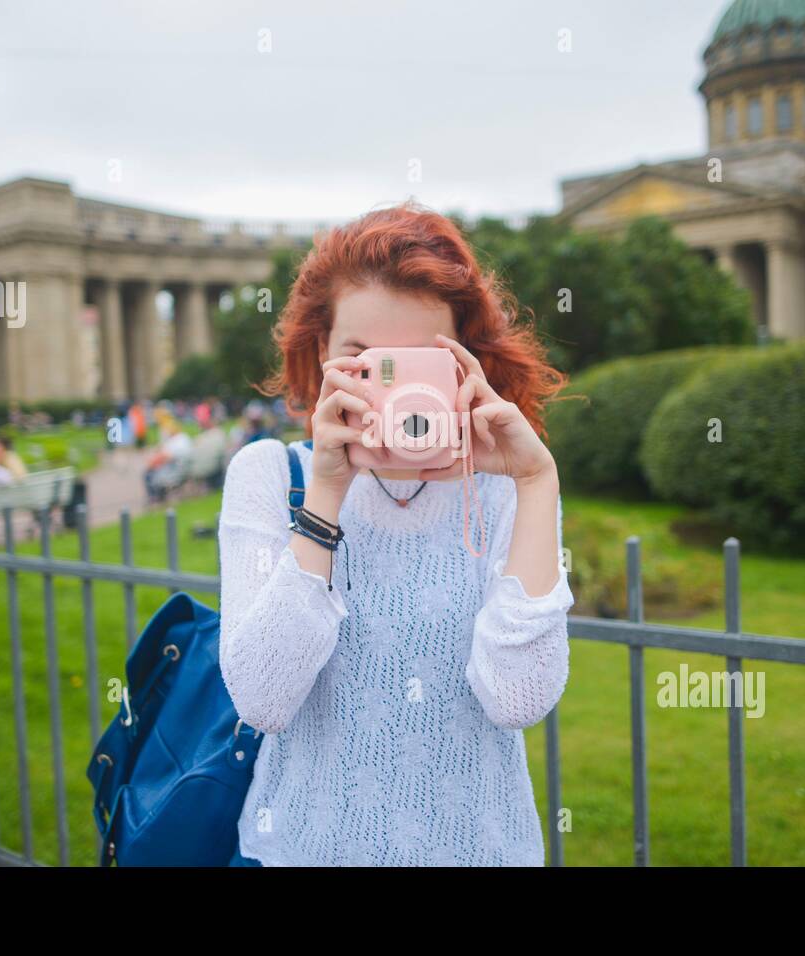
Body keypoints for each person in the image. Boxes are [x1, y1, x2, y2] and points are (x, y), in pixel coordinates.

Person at [218, 202, 573, 867]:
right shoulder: (272, 475)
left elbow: (518, 699)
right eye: (365, 360)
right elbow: (263, 699)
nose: (393, 390)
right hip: (303, 850)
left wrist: (536, 482)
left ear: (466, 363)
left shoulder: (502, 487)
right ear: (319, 351)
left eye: (418, 365)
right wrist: (325, 494)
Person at [143, 414, 193, 503]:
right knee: (152, 471)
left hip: (175, 472)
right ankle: (157, 497)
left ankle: (155, 498)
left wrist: (152, 461)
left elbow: (164, 457)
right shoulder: (184, 438)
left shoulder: (176, 442)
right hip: (184, 469)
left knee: (148, 474)